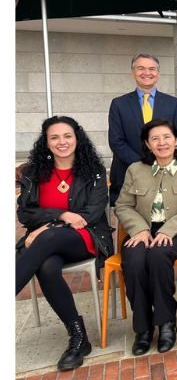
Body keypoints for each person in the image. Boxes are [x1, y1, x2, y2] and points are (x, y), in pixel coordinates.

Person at [15, 116, 113, 371]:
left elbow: (91, 214)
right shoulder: (34, 173)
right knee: (46, 267)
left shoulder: (93, 170)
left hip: (86, 237)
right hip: (47, 244)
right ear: (46, 142)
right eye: (55, 137)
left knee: (47, 238)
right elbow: (25, 213)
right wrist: (60, 215)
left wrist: (48, 227)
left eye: (67, 136)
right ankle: (78, 338)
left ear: (77, 138)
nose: (62, 142)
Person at [114, 119, 177, 355]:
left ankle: (166, 322)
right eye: (155, 139)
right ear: (147, 144)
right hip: (141, 230)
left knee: (158, 256)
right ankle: (142, 328)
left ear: (176, 141)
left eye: (166, 137)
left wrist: (167, 230)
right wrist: (139, 229)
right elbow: (123, 205)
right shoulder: (135, 170)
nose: (161, 143)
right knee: (134, 261)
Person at [108, 53, 177, 206]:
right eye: (141, 68)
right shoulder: (119, 104)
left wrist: (161, 163)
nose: (147, 73)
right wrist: (143, 163)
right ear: (133, 73)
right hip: (128, 173)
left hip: (165, 173)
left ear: (158, 73)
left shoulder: (173, 103)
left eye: (152, 69)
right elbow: (116, 141)